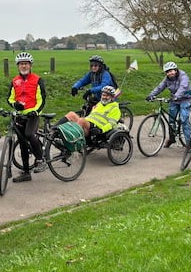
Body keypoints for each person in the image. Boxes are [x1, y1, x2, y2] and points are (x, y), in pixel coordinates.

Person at [7, 52, 47, 182]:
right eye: (21, 64)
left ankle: (40, 159)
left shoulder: (38, 80)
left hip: (33, 115)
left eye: (26, 64)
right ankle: (26, 173)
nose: (24, 66)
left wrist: (35, 111)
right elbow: (10, 98)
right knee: (23, 144)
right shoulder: (14, 81)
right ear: (18, 66)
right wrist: (15, 105)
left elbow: (42, 100)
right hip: (20, 116)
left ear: (30, 65)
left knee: (29, 134)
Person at [146, 61, 191, 147]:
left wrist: (176, 96)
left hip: (186, 99)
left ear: (175, 70)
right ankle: (172, 139)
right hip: (175, 100)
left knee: (184, 120)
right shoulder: (167, 79)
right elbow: (160, 87)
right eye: (168, 72)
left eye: (171, 71)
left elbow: (183, 87)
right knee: (171, 120)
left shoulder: (183, 76)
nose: (170, 73)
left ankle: (189, 143)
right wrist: (151, 95)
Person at [56, 86, 121, 139]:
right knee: (71, 114)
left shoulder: (115, 109)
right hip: (88, 124)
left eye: (107, 96)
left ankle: (69, 138)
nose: (104, 97)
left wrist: (101, 130)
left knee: (82, 120)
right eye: (103, 95)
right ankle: (54, 130)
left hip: (97, 129)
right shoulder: (99, 104)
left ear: (112, 97)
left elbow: (112, 124)